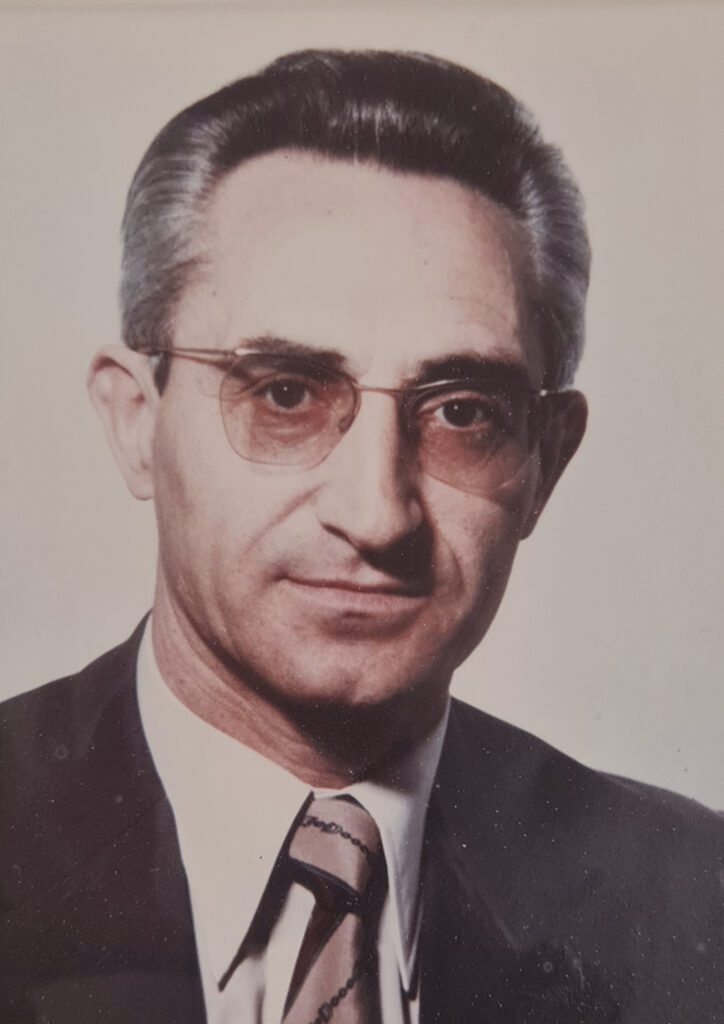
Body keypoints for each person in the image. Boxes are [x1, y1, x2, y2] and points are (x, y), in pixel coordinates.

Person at [1, 48, 722, 1024]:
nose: (377, 513)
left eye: (461, 412)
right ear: (136, 420)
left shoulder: (694, 900)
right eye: (285, 395)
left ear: (545, 464)